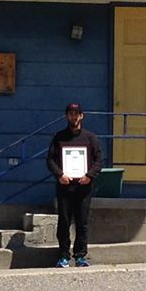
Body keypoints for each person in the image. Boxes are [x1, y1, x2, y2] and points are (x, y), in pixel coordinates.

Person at [45, 101, 102, 267]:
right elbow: (50, 160)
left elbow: (99, 160)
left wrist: (89, 175)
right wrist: (60, 174)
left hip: (84, 187)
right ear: (66, 116)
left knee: (82, 222)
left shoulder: (90, 138)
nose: (73, 116)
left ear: (81, 116)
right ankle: (63, 256)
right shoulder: (59, 137)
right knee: (64, 221)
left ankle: (80, 255)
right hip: (64, 187)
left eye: (76, 113)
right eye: (70, 113)